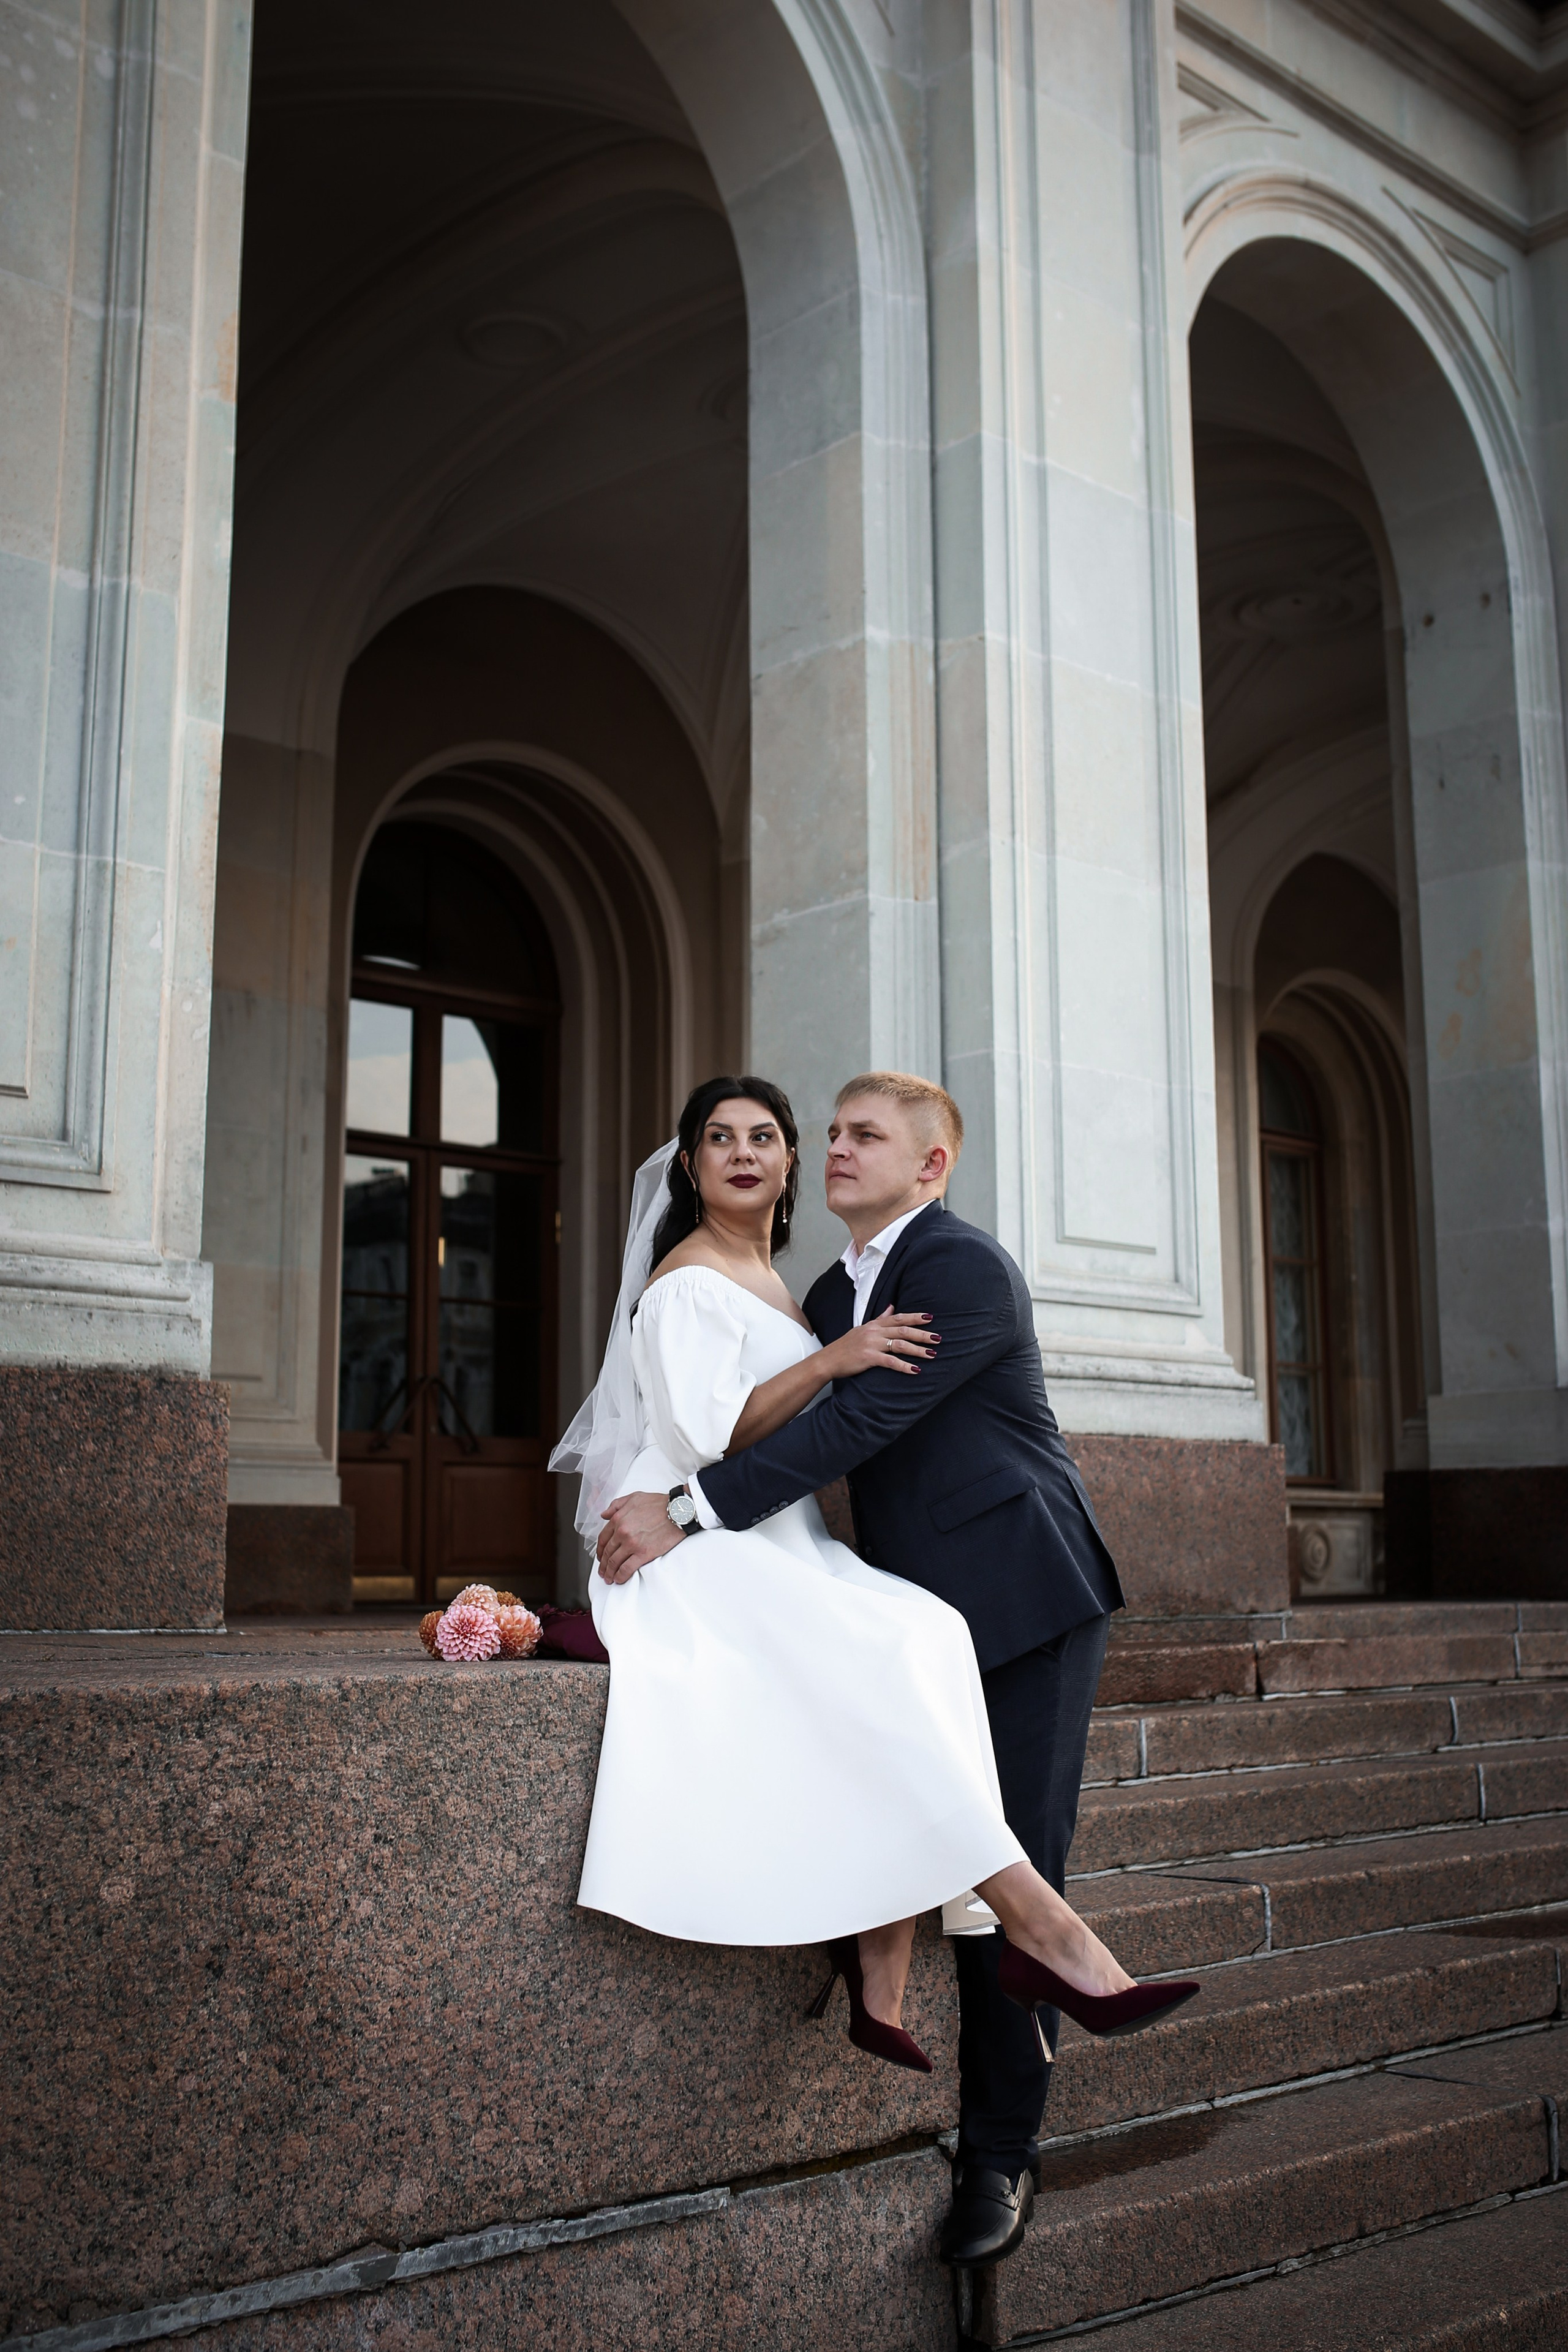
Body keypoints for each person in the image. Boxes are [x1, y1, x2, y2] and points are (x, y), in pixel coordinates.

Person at [560, 1073, 1196, 2269]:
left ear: (930, 1166)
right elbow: (763, 1418)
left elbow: (851, 1431)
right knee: (927, 1812)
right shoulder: (821, 1292)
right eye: (835, 1133)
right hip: (904, 1601)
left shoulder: (959, 1269)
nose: (835, 1149)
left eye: (860, 1136)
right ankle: (881, 1973)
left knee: (1012, 1850)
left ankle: (1000, 2159)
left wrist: (683, 1514)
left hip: (1022, 1594)